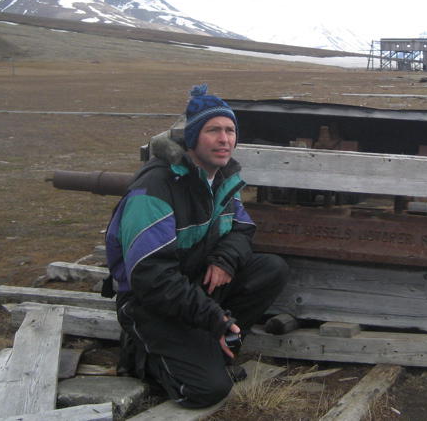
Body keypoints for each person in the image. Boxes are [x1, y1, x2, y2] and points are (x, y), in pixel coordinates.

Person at [104, 84, 289, 408]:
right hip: (148, 302)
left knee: (272, 269)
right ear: (192, 138)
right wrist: (214, 318)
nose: (224, 139)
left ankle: (208, 348)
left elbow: (243, 228)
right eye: (213, 130)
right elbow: (151, 277)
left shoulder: (222, 178)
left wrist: (224, 259)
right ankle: (141, 355)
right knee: (208, 391)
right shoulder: (155, 189)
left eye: (230, 130)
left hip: (192, 284)